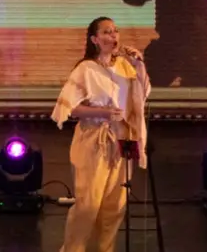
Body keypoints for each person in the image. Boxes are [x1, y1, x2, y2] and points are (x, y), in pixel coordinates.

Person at [52, 17, 151, 252]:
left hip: (122, 140)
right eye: (107, 32)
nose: (113, 35)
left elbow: (142, 94)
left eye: (115, 31)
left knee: (115, 204)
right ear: (95, 39)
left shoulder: (125, 66)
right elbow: (69, 107)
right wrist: (102, 112)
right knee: (88, 204)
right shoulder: (86, 69)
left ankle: (106, 249)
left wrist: (139, 65)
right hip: (93, 139)